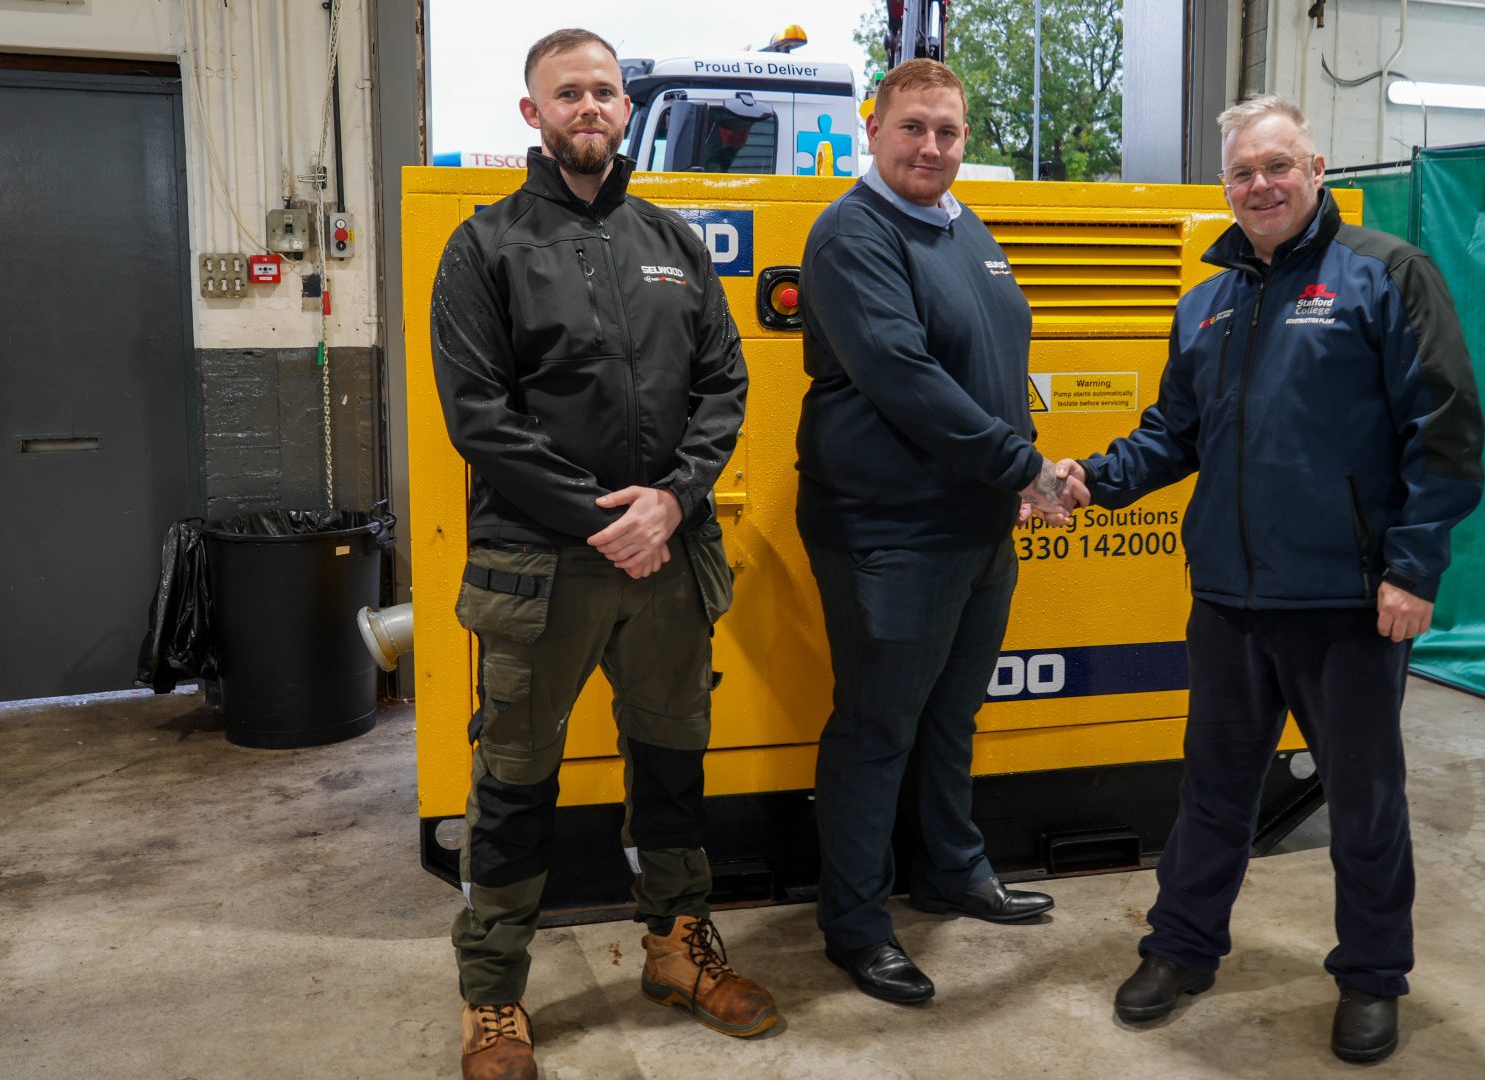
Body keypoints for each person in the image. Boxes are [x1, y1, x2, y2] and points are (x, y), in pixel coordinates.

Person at [1057, 94, 1484, 1064]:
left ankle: (1373, 976)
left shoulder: (1386, 276)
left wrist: (1414, 569)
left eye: (1278, 166)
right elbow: (1176, 435)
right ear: (1226, 186)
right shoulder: (1206, 302)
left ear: (1317, 168)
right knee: (1212, 793)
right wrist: (1094, 480)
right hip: (1231, 603)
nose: (1262, 185)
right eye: (1245, 172)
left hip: (1349, 604)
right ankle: (1182, 949)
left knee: (1365, 805)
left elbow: (1446, 427)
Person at [429, 28, 777, 1080]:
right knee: (514, 780)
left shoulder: (673, 241)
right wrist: (600, 517)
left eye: (606, 92)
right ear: (531, 113)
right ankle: (494, 998)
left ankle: (676, 949)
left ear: (627, 111)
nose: (591, 106)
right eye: (567, 92)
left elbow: (725, 386)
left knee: (671, 764)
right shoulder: (484, 245)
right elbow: (478, 416)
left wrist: (671, 503)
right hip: (542, 569)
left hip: (668, 563)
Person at [793, 58, 1079, 1005]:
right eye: (913, 127)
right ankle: (857, 923)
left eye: (948, 132)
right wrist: (1026, 468)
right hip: (890, 530)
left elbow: (994, 361)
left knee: (952, 712)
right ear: (872, 130)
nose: (931, 147)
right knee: (878, 726)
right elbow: (907, 380)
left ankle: (952, 870)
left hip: (977, 521)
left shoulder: (966, 226)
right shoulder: (851, 235)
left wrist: (1017, 476)